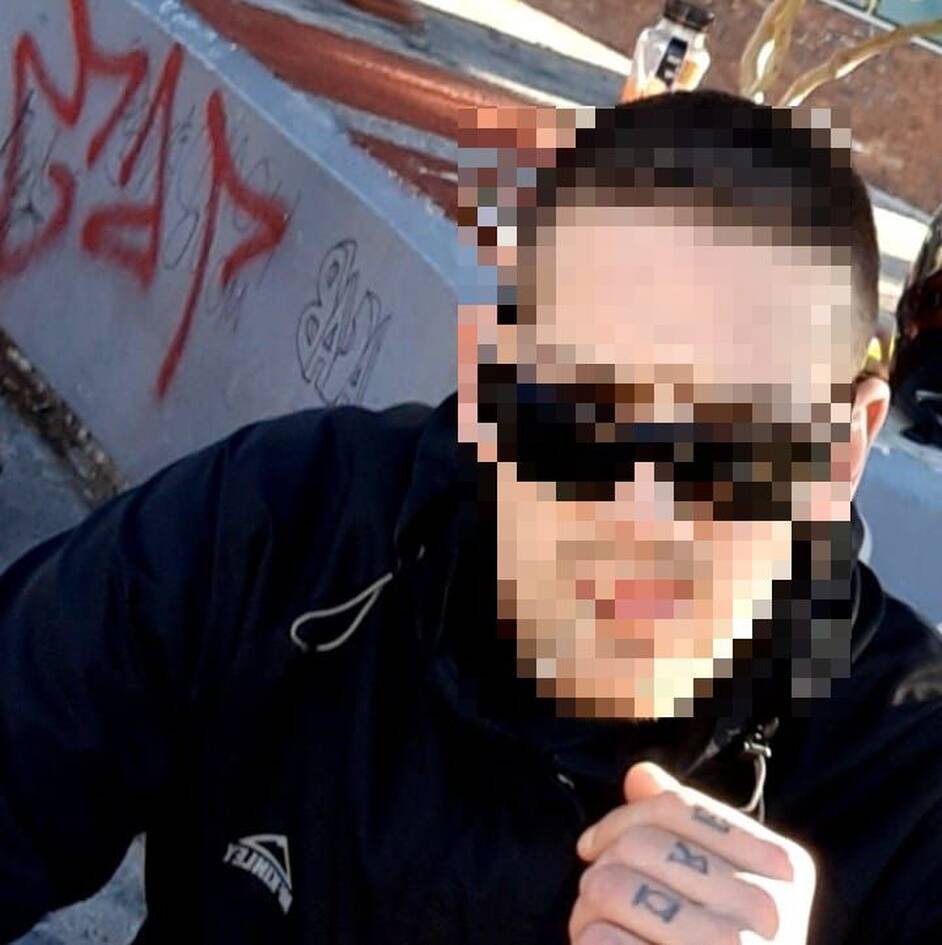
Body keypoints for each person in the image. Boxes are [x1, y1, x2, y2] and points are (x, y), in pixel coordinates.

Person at [1, 90, 940, 945]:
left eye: (736, 439)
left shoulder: (910, 781)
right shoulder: (293, 526)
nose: (644, 514)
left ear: (842, 450)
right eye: (581, 412)